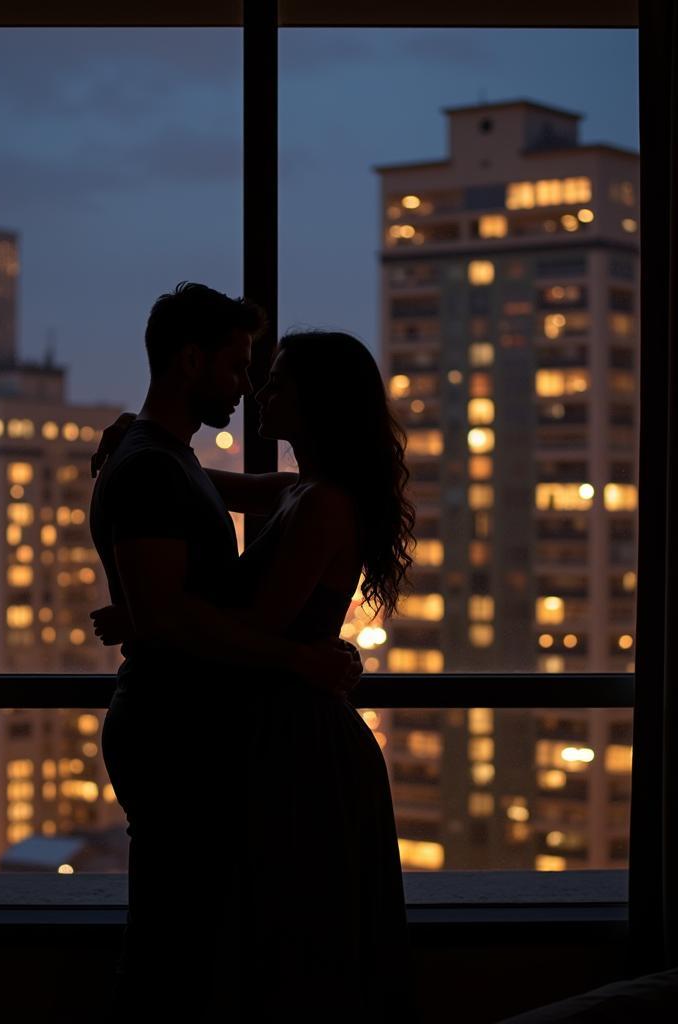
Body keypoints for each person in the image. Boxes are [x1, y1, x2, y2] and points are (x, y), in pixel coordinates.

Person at [92, 327, 420, 1021]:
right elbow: (198, 480)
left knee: (279, 938)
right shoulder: (299, 490)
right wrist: (140, 438)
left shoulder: (323, 505)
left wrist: (152, 617)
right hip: (280, 730)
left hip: (295, 741)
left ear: (318, 401)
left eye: (277, 382)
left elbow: (258, 625)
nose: (259, 394)